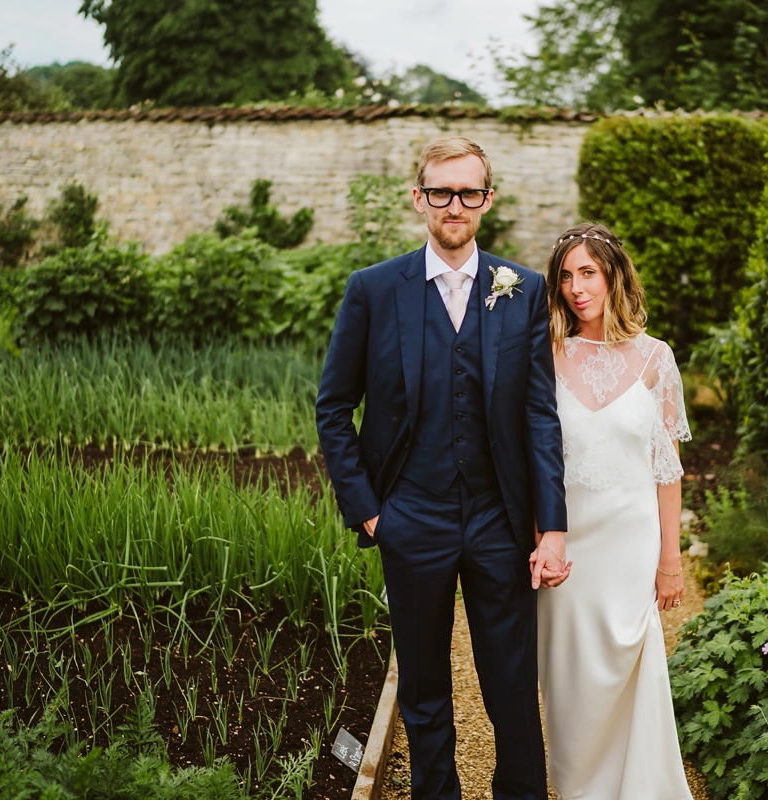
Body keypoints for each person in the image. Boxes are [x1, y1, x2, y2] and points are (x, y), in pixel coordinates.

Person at [315, 135, 570, 800]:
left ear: (487, 199)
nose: (454, 205)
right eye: (440, 191)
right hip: (412, 516)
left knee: (512, 685)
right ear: (419, 196)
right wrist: (371, 511)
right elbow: (333, 407)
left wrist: (552, 527)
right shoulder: (373, 290)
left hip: (500, 519)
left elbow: (540, 416)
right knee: (423, 688)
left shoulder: (523, 288)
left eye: (469, 192)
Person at [538, 221, 694, 799]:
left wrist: (670, 561)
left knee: (632, 670)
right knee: (570, 680)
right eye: (566, 277)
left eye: (589, 273)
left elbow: (667, 469)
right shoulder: (545, 354)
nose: (577, 288)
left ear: (613, 277)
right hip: (568, 539)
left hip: (632, 543)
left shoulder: (657, 359)